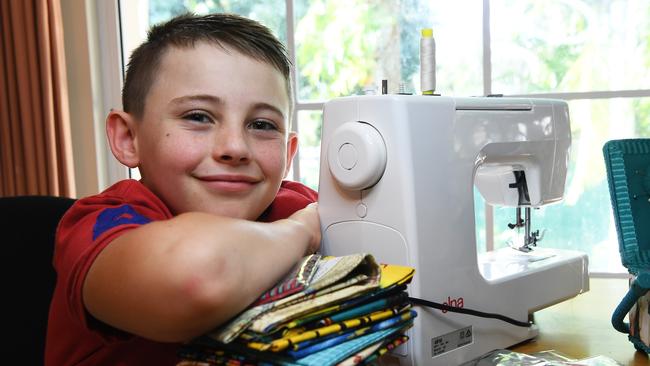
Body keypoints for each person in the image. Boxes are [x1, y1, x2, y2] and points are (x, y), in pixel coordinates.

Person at [45, 12, 321, 366]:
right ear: (129, 138)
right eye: (198, 117)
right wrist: (301, 232)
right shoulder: (102, 224)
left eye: (262, 124)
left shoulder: (297, 204)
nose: (235, 147)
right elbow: (196, 279)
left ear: (288, 151)